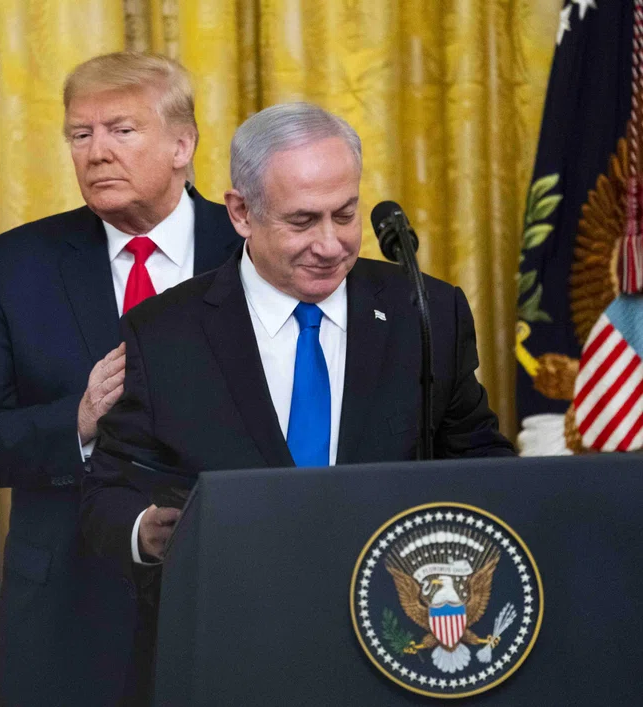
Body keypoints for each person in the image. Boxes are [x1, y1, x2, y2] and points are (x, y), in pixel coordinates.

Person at [80, 102, 516, 694]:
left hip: (396, 645)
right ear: (241, 213)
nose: (332, 244)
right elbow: (107, 493)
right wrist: (145, 532)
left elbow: (480, 461)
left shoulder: (427, 311)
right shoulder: (164, 332)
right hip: (235, 649)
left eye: (345, 214)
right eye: (303, 221)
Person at [0, 53, 239, 706]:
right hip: (66, 618)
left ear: (182, 143)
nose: (96, 151)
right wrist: (74, 421)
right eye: (82, 134)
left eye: (121, 131)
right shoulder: (11, 265)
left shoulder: (252, 248)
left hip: (232, 594)